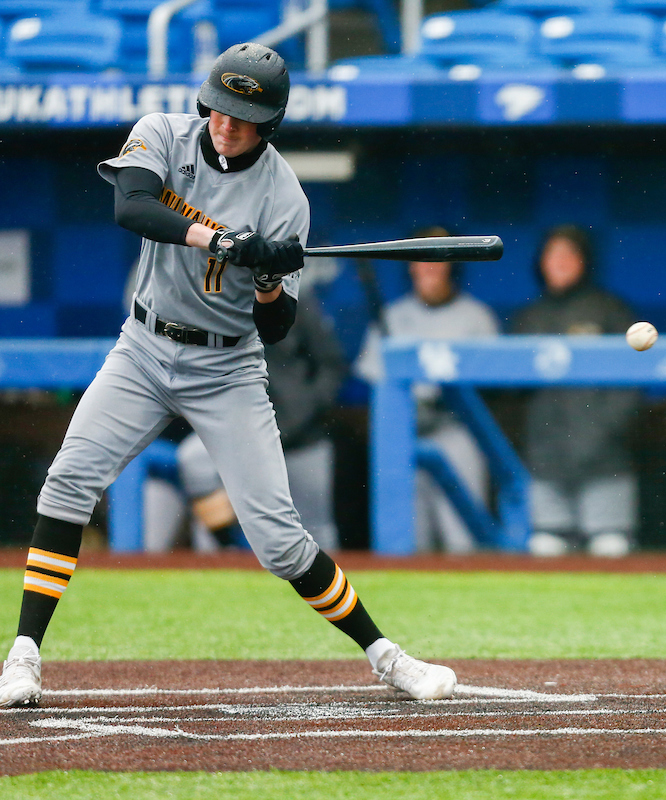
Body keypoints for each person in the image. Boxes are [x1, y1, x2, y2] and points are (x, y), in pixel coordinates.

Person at [0, 43, 455, 708]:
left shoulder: (283, 198)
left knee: (277, 538)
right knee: (70, 480)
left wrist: (268, 277)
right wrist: (218, 240)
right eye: (219, 108)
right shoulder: (162, 133)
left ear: (268, 124)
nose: (226, 124)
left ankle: (388, 657)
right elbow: (132, 206)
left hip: (227, 366)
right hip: (145, 349)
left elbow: (275, 327)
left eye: (243, 116)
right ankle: (23, 657)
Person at [354, 226, 501, 553]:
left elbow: (492, 387)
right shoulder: (391, 316)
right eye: (422, 259)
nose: (429, 267)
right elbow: (374, 381)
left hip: (456, 429)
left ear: (452, 265)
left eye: (439, 259)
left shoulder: (476, 316)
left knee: (463, 538)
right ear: (410, 265)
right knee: (406, 538)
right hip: (405, 432)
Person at [177, 291, 346, 552]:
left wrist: (303, 411)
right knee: (194, 460)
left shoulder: (298, 299)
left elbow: (331, 365)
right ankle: (228, 552)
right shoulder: (214, 299)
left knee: (315, 530)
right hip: (238, 433)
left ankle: (331, 592)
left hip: (301, 440)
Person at [511, 224, 639, 558]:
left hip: (604, 460)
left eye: (569, 254)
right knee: (545, 547)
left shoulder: (610, 310)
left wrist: (605, 430)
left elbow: (632, 383)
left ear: (585, 261)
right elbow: (509, 394)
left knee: (610, 547)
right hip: (544, 461)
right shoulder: (529, 317)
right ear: (540, 262)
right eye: (552, 255)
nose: (560, 262)